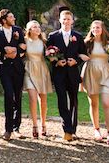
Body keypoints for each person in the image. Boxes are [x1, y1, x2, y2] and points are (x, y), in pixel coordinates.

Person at [46, 9, 86, 142]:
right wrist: (57, 62)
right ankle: (67, 129)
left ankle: (72, 129)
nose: (66, 21)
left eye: (69, 19)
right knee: (62, 101)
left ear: (72, 21)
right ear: (60, 20)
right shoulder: (53, 36)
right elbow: (48, 54)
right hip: (59, 74)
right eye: (64, 19)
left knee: (74, 100)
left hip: (73, 73)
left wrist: (76, 61)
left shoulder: (78, 37)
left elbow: (83, 54)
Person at [0, 8, 26, 140]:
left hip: (18, 68)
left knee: (18, 97)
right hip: (4, 68)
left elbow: (23, 46)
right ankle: (8, 129)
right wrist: (4, 52)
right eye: (11, 17)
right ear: (4, 20)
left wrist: (14, 49)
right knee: (9, 95)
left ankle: (17, 128)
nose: (14, 19)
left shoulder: (18, 30)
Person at [80, 20, 109, 145]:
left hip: (105, 73)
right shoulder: (86, 43)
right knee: (94, 103)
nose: (96, 29)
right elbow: (78, 53)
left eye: (98, 27)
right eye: (94, 27)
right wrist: (81, 56)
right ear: (91, 29)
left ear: (102, 29)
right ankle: (96, 130)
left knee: (106, 103)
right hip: (90, 72)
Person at [22, 20, 52, 138]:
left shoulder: (44, 42)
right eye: (34, 27)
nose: (37, 29)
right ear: (29, 29)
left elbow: (51, 54)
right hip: (29, 69)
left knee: (43, 99)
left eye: (38, 27)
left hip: (41, 69)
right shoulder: (25, 41)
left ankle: (44, 124)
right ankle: (34, 125)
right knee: (32, 98)